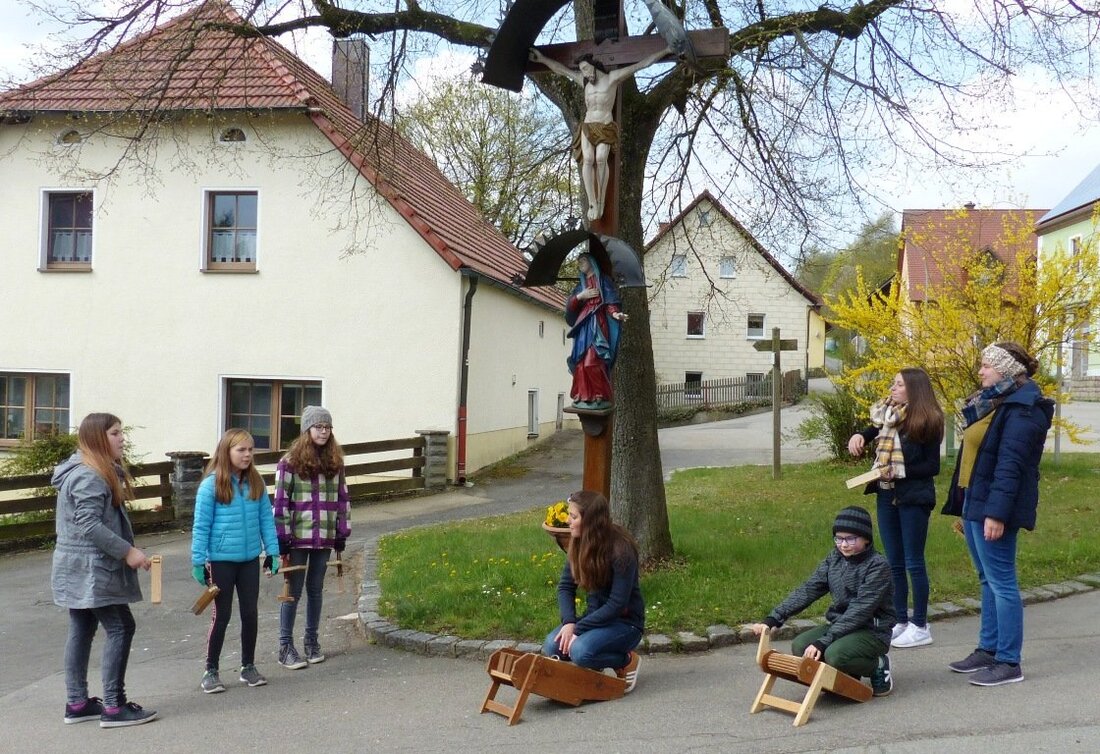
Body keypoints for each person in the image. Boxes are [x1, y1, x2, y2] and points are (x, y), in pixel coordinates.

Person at [942, 342, 1053, 686]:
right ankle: (988, 650)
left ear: (1004, 369)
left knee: (1003, 583)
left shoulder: (1024, 408)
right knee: (987, 579)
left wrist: (997, 514)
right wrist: (969, 506)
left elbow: (1011, 465)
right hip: (977, 501)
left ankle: (1009, 661)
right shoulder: (995, 402)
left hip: (994, 507)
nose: (980, 372)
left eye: (985, 366)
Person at [52, 413, 158, 727]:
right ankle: (114, 707)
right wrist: (128, 552)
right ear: (99, 438)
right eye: (115, 433)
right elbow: (88, 524)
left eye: (121, 432)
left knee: (82, 627)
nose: (122, 438)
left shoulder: (91, 470)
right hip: (92, 568)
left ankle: (78, 702)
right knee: (121, 626)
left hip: (79, 567)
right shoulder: (89, 475)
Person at [750, 506, 896, 697]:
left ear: (866, 538)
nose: (843, 545)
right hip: (841, 626)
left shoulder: (878, 566)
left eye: (850, 539)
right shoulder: (834, 559)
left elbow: (859, 611)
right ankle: (845, 675)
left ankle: (877, 665)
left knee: (834, 654)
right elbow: (809, 589)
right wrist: (774, 618)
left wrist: (824, 642)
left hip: (872, 631)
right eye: (839, 538)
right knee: (800, 646)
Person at [848, 368, 944, 649]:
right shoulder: (888, 414)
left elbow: (931, 467)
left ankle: (921, 625)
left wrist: (899, 472)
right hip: (886, 495)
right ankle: (900, 620)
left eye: (899, 385)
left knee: (914, 561)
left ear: (914, 389)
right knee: (893, 563)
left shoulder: (928, 419)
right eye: (893, 383)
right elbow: (875, 429)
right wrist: (859, 435)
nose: (892, 388)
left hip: (913, 498)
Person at [529, 46, 669, 221]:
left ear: (594, 65)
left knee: (601, 158)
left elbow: (641, 65)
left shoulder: (612, 79)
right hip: (588, 125)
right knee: (588, 160)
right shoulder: (585, 82)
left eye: (586, 68)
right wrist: (542, 59)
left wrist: (665, 50)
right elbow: (561, 70)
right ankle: (592, 202)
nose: (585, 73)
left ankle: (601, 202)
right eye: (582, 70)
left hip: (605, 124)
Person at [191, 428, 280, 693]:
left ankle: (248, 666)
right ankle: (211, 670)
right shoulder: (211, 485)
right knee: (222, 615)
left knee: (250, 613)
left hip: (249, 559)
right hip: (220, 561)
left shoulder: (256, 483)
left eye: (251, 450)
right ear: (226, 452)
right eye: (241, 450)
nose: (247, 455)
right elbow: (201, 526)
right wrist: (198, 561)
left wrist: (272, 552)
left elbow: (266, 518)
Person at [542, 490, 645, 693]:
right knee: (552, 646)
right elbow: (565, 587)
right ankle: (591, 667)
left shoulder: (621, 550)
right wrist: (569, 622)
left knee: (580, 651)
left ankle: (626, 660)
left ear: (590, 521)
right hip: (596, 618)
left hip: (625, 624)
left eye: (573, 517)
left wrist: (578, 631)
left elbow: (617, 605)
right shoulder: (579, 544)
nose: (568, 522)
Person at [274, 406, 350, 669]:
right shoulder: (289, 464)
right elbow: (281, 502)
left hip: (325, 537)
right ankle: (285, 646)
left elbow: (343, 499)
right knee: (292, 591)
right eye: (318, 427)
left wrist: (341, 531)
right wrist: (282, 536)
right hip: (297, 537)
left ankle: (312, 641)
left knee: (315, 590)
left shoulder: (335, 463)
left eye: (327, 427)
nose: (324, 432)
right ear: (307, 430)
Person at [565, 253, 628, 409]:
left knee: (593, 361)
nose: (580, 264)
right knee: (580, 362)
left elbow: (610, 303)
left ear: (591, 261)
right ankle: (582, 395)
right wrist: (581, 296)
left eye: (583, 261)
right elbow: (570, 307)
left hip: (598, 323)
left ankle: (600, 394)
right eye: (578, 262)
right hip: (583, 324)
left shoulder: (603, 281)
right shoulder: (581, 285)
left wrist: (616, 314)